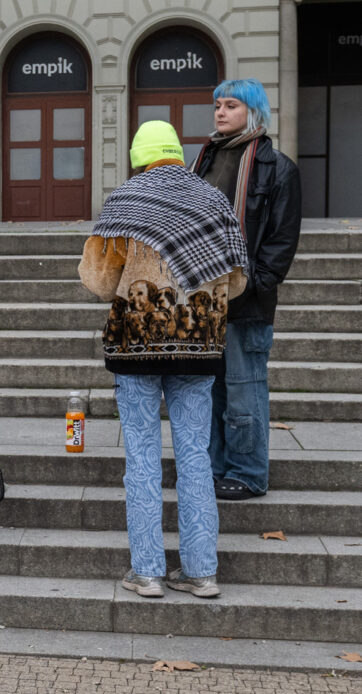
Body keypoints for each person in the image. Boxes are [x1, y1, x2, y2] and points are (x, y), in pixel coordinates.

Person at [79, 121, 248, 599]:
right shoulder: (214, 200)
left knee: (142, 456)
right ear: (177, 152)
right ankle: (201, 572)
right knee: (196, 455)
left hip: (136, 345)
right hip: (200, 345)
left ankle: (148, 572)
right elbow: (236, 282)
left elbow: (98, 281)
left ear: (139, 155)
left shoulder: (126, 200)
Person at [190, 79, 302, 501]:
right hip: (205, 297)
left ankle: (248, 472)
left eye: (230, 105)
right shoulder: (205, 159)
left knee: (243, 389)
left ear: (253, 112)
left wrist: (251, 285)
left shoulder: (278, 168)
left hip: (247, 302)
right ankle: (216, 467)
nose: (219, 112)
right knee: (212, 390)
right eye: (217, 104)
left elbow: (280, 242)